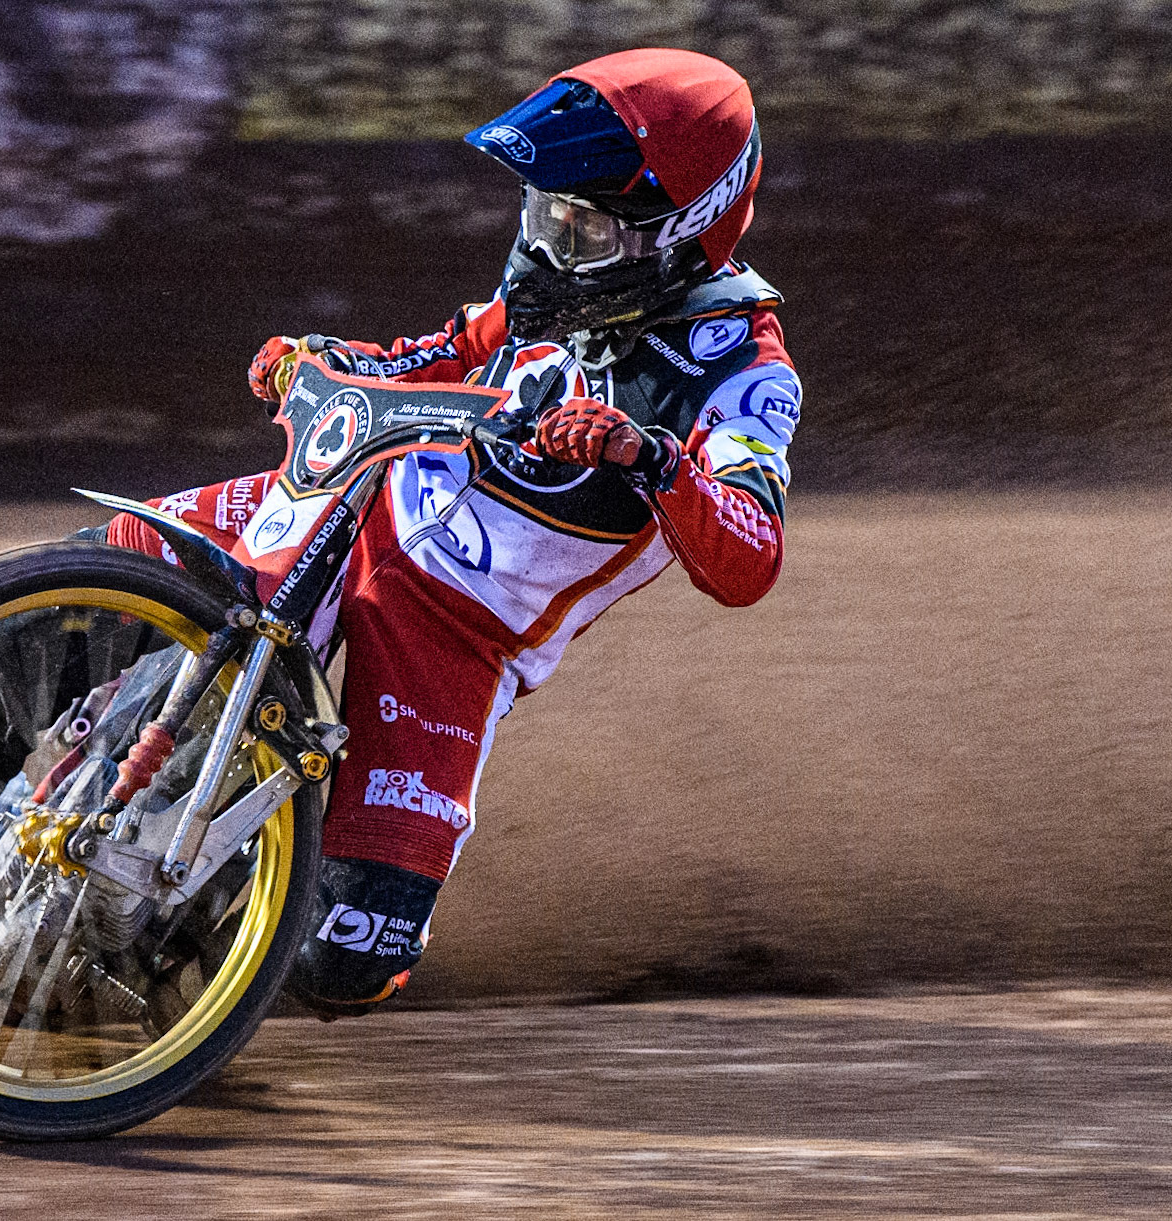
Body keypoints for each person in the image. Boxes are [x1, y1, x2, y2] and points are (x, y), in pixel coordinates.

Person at [100, 47, 802, 1017]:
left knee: (345, 962)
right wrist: (322, 359)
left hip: (460, 637)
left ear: (677, 234)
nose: (553, 245)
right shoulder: (546, 290)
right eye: (543, 215)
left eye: (585, 228)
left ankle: (204, 919)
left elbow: (750, 560)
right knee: (106, 569)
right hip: (354, 514)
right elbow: (426, 355)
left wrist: (649, 458)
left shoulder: (744, 376)